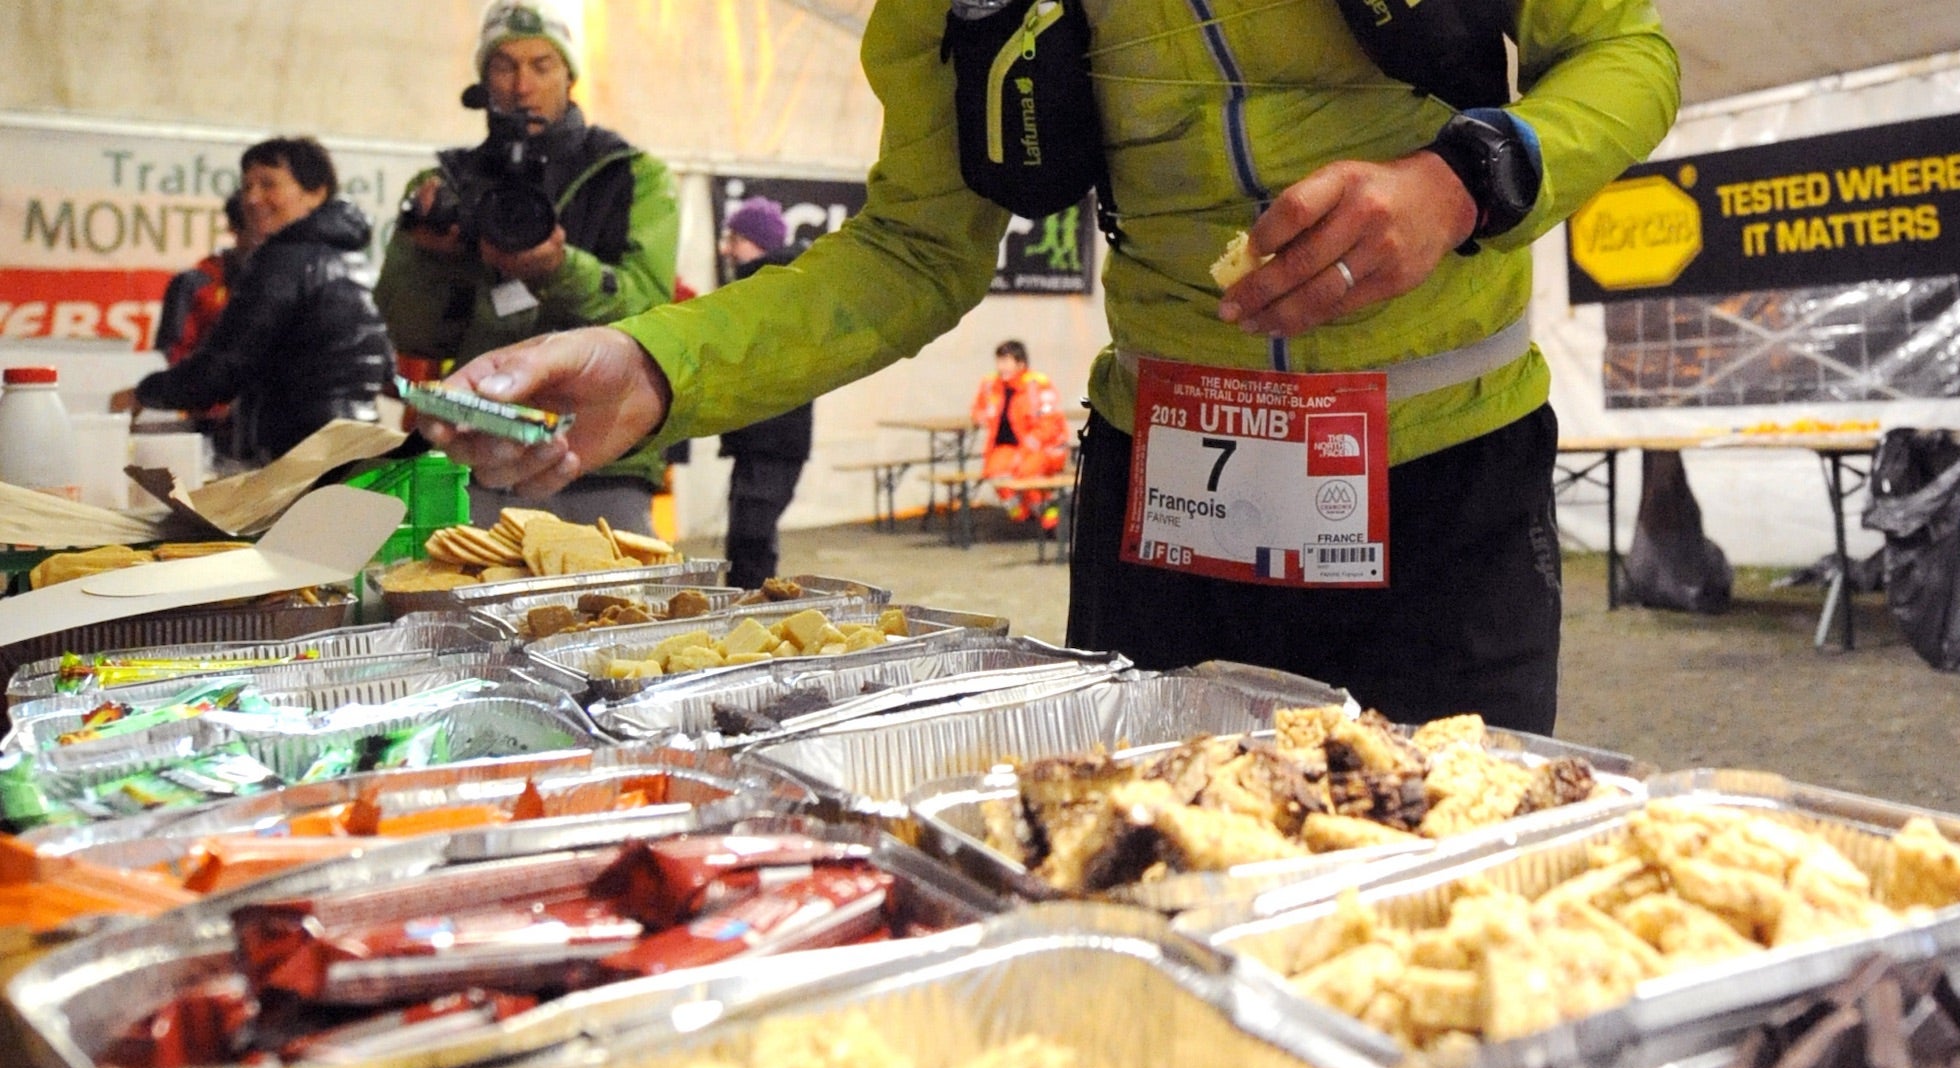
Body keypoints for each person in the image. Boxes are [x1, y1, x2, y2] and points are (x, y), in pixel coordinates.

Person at [424, 1, 1680, 734]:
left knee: (1454, 882)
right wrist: (656, 360)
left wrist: (1467, 178)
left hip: (1449, 489)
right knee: (1147, 868)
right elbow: (916, 248)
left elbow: (1630, 51)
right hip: (1171, 504)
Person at [375, 0, 677, 529]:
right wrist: (423, 251)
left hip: (604, 453)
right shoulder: (444, 183)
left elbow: (652, 310)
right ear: (483, 80)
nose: (521, 85)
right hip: (484, 446)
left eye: (541, 65)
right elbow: (411, 332)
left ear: (569, 74)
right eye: (503, 65)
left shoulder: (631, 176)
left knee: (614, 603)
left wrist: (557, 267)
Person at [110, 138, 389, 466]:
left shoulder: (284, 259)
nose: (252, 198)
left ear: (316, 192)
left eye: (268, 184)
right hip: (353, 446)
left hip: (297, 460)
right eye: (247, 187)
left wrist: (142, 394)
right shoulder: (353, 259)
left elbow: (225, 366)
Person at [715, 196, 816, 590]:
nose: (726, 248)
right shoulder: (779, 284)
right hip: (763, 437)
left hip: (771, 435)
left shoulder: (770, 288)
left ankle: (748, 625)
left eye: (735, 238)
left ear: (757, 242)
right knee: (749, 541)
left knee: (749, 542)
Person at [153, 193, 266, 460]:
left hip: (272, 426)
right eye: (258, 230)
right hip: (210, 432)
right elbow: (173, 357)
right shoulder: (195, 284)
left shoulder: (294, 283)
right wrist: (218, 405)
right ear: (234, 229)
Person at [971, 340, 1070, 533]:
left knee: (1026, 472)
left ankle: (1048, 513)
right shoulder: (991, 384)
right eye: (999, 361)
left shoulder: (1039, 385)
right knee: (995, 472)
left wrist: (1025, 451)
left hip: (1044, 448)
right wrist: (980, 416)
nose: (1001, 367)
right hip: (1006, 447)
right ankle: (1022, 515)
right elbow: (978, 409)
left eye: (1007, 361)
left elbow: (1049, 424)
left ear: (1021, 363)